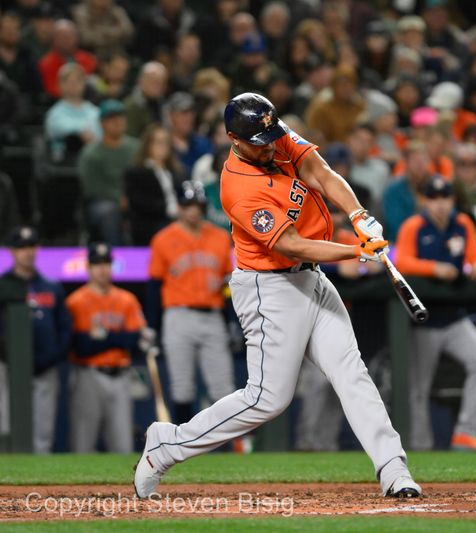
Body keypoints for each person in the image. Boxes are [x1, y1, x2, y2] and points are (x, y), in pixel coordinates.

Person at [134, 93, 421, 499]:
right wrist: (355, 251)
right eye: (258, 140)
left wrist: (358, 215)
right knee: (267, 400)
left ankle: (394, 470)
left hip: (312, 279)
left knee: (351, 372)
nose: (270, 145)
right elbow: (291, 245)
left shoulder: (273, 134)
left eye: (272, 134)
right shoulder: (237, 187)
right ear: (234, 139)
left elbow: (318, 171)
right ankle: (168, 446)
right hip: (269, 288)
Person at [394, 177, 476, 452]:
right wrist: (434, 268)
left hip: (454, 316)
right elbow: (400, 260)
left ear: (452, 200)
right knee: (418, 388)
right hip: (423, 321)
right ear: (424, 201)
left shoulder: (462, 223)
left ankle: (466, 433)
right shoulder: (414, 226)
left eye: (445, 198)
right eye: (434, 198)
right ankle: (420, 446)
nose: (440, 204)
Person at [145, 181, 234, 425]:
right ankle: (183, 442)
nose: (193, 210)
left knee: (223, 389)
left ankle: (224, 447)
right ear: (179, 207)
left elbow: (228, 285)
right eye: (187, 205)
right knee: (182, 386)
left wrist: (231, 321)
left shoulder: (220, 237)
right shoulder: (162, 239)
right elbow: (154, 286)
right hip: (178, 316)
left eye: (197, 205)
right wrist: (152, 325)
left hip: (213, 315)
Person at [66, 242, 149, 453]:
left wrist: (102, 337)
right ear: (88, 267)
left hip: (120, 375)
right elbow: (81, 345)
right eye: (97, 264)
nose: (103, 269)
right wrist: (116, 337)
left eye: (106, 263)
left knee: (123, 446)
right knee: (82, 445)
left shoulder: (126, 299)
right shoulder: (76, 301)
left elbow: (134, 339)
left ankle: (122, 487)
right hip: (88, 374)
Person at [1, 226, 70, 453]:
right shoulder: (2, 286)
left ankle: (38, 486)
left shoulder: (51, 286)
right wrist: (8, 356)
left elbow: (64, 330)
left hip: (45, 368)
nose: (27, 252)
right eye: (21, 247)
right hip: (7, 367)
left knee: (43, 434)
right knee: (6, 427)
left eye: (31, 246)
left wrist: (49, 358)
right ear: (12, 251)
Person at [78, 99, 139, 245]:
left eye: (120, 117)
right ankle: (116, 256)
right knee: (109, 212)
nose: (118, 121)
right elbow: (91, 187)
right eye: (112, 118)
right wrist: (119, 198)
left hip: (135, 198)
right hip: (103, 201)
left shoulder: (137, 148)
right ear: (102, 123)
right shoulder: (91, 153)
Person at [124, 124, 183, 245]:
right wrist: (169, 209)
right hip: (151, 223)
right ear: (147, 145)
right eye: (158, 142)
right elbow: (139, 202)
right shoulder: (136, 172)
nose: (162, 147)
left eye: (165, 143)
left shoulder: (177, 171)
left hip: (179, 219)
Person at [383, 140, 439, 241]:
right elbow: (397, 226)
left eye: (424, 160)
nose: (420, 165)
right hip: (403, 242)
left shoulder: (438, 185)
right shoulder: (394, 190)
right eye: (416, 161)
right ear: (406, 162)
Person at [44, 63, 100, 161]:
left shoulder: (95, 111)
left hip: (93, 159)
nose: (73, 85)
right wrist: (80, 131)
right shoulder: (54, 113)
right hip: (64, 160)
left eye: (78, 80)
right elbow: (56, 129)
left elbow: (100, 135)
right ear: (60, 84)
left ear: (84, 84)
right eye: (69, 81)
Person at [38, 19, 96, 98]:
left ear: (77, 38)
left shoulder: (89, 59)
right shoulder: (45, 64)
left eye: (69, 36)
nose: (66, 40)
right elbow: (50, 90)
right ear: (54, 39)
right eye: (62, 37)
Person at [166, 91, 213, 174]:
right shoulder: (163, 144)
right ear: (171, 115)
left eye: (191, 113)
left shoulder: (202, 143)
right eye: (183, 113)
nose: (188, 118)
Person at [124, 61, 168, 137]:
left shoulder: (162, 104)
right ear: (141, 80)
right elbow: (129, 138)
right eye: (154, 81)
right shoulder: (132, 106)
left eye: (162, 82)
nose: (159, 86)